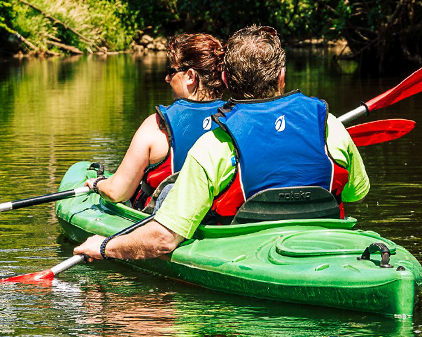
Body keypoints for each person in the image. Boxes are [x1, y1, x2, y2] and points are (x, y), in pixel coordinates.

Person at [75, 25, 369, 261]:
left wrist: (104, 247)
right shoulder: (329, 126)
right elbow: (355, 194)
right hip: (323, 246)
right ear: (281, 76)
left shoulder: (215, 144)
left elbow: (164, 239)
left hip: (244, 253)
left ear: (226, 79)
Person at [93, 33, 225, 208]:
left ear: (191, 76)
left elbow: (117, 192)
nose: (167, 78)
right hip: (216, 218)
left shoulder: (156, 126)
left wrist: (98, 184)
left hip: (162, 220)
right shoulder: (236, 119)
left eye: (172, 72)